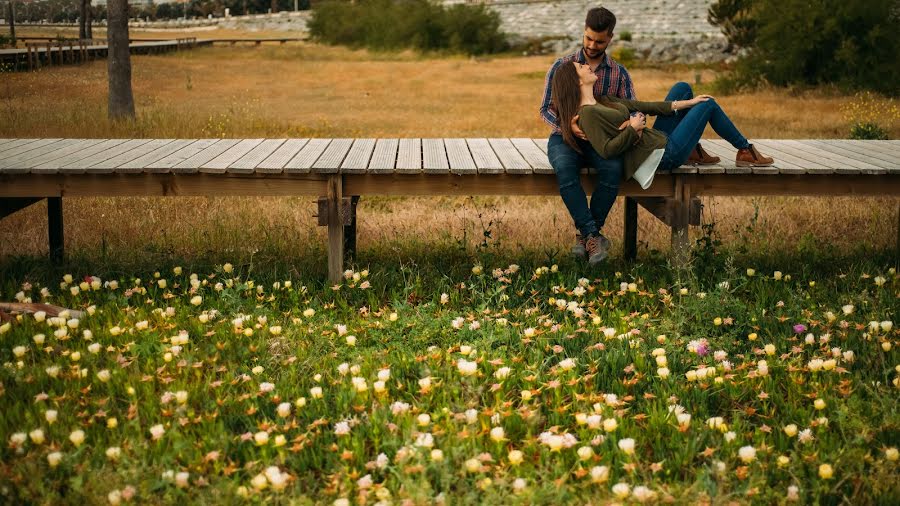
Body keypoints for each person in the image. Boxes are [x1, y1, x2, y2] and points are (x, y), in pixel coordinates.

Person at [540, 7, 719, 265]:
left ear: (610, 39)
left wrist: (631, 126)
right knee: (565, 170)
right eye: (588, 38)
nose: (592, 45)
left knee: (613, 169)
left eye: (599, 41)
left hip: (606, 141)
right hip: (566, 137)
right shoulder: (563, 67)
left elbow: (633, 109)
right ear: (584, 32)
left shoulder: (619, 73)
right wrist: (569, 125)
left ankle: (586, 237)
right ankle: (592, 235)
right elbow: (545, 108)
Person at [550, 61, 774, 235]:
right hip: (664, 154)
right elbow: (607, 150)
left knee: (683, 89)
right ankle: (745, 150)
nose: (587, 65)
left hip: (658, 139)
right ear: (576, 81)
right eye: (581, 67)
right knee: (709, 105)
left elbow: (642, 106)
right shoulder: (587, 115)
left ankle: (695, 149)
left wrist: (683, 104)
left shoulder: (602, 99)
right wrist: (633, 127)